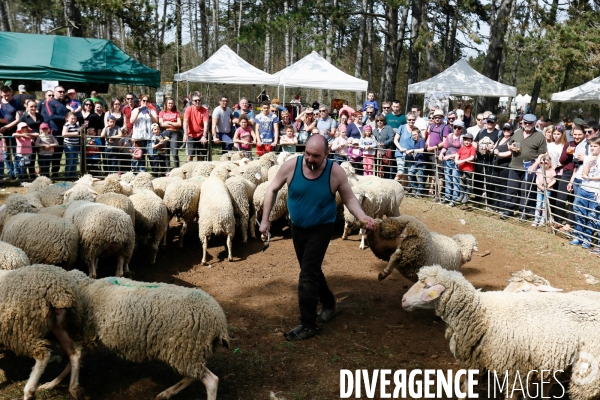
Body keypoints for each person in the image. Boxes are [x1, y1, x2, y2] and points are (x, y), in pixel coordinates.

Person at [258, 134, 375, 341]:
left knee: (307, 274)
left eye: (316, 156)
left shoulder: (335, 172)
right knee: (309, 268)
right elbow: (272, 189)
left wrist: (362, 216)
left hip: (322, 227)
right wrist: (265, 220)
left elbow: (349, 198)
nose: (310, 159)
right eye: (308, 154)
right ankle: (329, 303)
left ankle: (308, 323)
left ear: (326, 155)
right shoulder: (291, 166)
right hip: (297, 227)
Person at [501, 114, 547, 220]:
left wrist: (534, 166)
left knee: (525, 191)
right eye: (525, 122)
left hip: (529, 169)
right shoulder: (517, 133)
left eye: (529, 123)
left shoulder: (540, 136)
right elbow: (510, 144)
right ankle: (508, 210)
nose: (527, 125)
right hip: (514, 166)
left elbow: (542, 154)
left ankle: (523, 212)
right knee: (511, 190)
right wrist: (511, 147)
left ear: (534, 123)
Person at [570, 136, 600, 249]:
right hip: (584, 188)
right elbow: (583, 173)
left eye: (595, 146)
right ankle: (579, 236)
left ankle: (587, 239)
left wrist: (591, 178)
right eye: (591, 146)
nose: (592, 148)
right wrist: (588, 163)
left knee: (591, 216)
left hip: (595, 191)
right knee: (580, 213)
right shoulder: (589, 158)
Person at [473, 113, 500, 206]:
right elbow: (475, 142)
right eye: (488, 121)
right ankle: (477, 198)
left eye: (492, 122)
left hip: (490, 160)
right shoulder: (482, 131)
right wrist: (477, 147)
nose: (490, 123)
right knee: (478, 179)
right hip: (480, 159)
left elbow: (498, 146)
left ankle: (488, 199)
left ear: (495, 123)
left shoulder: (498, 133)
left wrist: (491, 148)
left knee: (489, 180)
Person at [41, 86, 68, 176]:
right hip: (54, 130)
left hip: (65, 130)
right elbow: (51, 116)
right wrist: (65, 118)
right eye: (60, 91)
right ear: (54, 92)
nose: (62, 93)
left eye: (63, 92)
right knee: (52, 152)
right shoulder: (50, 102)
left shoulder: (66, 102)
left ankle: (55, 172)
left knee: (59, 153)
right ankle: (45, 173)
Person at [426, 109, 451, 201]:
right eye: (435, 117)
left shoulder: (445, 127)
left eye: (439, 117)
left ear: (442, 118)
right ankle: (431, 190)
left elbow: (445, 142)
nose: (437, 119)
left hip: (439, 153)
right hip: (431, 153)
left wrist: (433, 148)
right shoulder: (432, 126)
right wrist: (428, 145)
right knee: (433, 172)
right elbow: (429, 136)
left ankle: (439, 193)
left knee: (440, 173)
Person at [438, 120, 465, 206]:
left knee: (455, 180)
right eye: (455, 127)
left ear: (462, 129)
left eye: (459, 128)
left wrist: (450, 156)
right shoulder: (449, 136)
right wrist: (441, 153)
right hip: (447, 161)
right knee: (448, 179)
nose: (457, 129)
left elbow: (461, 152)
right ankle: (447, 197)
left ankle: (454, 199)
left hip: (456, 162)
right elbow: (445, 147)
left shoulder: (462, 139)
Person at [1, 85, 24, 179]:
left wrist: (6, 127)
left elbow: (18, 119)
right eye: (4, 95)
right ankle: (10, 173)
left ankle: (16, 173)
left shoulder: (16, 103)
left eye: (8, 95)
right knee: (5, 154)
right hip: (2, 133)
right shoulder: (0, 103)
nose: (6, 97)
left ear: (11, 93)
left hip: (14, 131)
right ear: (1, 94)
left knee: (16, 153)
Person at [130, 95, 158, 172]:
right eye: (143, 101)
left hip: (149, 137)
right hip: (138, 137)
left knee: (152, 155)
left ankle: (155, 172)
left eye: (147, 101)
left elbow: (156, 121)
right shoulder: (135, 110)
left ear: (149, 102)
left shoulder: (152, 111)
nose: (145, 102)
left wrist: (150, 114)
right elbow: (132, 121)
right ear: (140, 101)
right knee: (139, 155)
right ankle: (140, 172)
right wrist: (138, 112)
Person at [492, 123, 515, 213]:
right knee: (497, 186)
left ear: (512, 130)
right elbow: (494, 149)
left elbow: (511, 153)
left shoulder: (512, 140)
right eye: (504, 129)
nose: (506, 131)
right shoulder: (500, 139)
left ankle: (502, 206)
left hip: (505, 166)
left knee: (504, 187)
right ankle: (496, 205)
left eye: (508, 129)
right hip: (497, 165)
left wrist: (499, 154)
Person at [183, 93, 209, 162]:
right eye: (195, 100)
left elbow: (206, 123)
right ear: (192, 102)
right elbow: (185, 121)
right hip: (191, 135)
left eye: (199, 100)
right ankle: (188, 170)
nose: (197, 102)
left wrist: (204, 136)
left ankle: (199, 171)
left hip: (201, 135)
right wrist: (185, 134)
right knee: (190, 156)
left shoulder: (205, 110)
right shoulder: (188, 109)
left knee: (201, 157)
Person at [532, 155, 556, 227]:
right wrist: (539, 186)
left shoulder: (552, 171)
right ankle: (536, 219)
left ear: (549, 163)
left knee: (544, 205)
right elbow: (537, 179)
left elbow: (554, 180)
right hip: (539, 190)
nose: (543, 164)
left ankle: (543, 219)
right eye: (541, 163)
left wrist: (548, 186)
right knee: (538, 204)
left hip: (547, 190)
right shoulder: (539, 170)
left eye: (545, 163)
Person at [393, 113, 418, 182]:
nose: (411, 121)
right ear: (407, 120)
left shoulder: (416, 129)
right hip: (400, 154)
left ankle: (402, 190)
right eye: (409, 119)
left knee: (406, 173)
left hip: (410, 155)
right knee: (400, 171)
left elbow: (418, 141)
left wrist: (413, 151)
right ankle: (392, 186)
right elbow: (395, 140)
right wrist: (401, 148)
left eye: (413, 120)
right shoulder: (402, 127)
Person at [158, 98, 181, 169]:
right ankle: (167, 170)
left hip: (174, 133)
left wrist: (169, 122)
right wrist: (174, 123)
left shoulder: (176, 113)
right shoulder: (162, 112)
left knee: (175, 153)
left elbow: (179, 124)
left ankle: (177, 169)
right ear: (166, 104)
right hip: (165, 133)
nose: (170, 105)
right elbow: (162, 124)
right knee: (166, 153)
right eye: (169, 103)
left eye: (172, 103)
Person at [454, 132, 477, 204]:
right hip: (461, 168)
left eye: (468, 140)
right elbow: (457, 154)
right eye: (465, 140)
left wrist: (461, 161)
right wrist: (456, 160)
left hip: (468, 169)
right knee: (461, 183)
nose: (467, 142)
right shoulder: (462, 147)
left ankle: (466, 196)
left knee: (468, 183)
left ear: (471, 141)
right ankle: (461, 195)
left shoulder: (472, 149)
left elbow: (471, 158)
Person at [405, 127, 427, 197]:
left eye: (415, 134)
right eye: (412, 135)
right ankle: (415, 188)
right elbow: (417, 152)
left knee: (420, 177)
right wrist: (411, 154)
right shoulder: (415, 142)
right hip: (416, 162)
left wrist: (412, 151)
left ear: (419, 134)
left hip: (421, 162)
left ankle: (419, 192)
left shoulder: (421, 140)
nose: (414, 136)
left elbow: (422, 150)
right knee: (410, 174)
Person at [62, 112, 81, 179]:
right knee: (70, 161)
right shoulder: (66, 125)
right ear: (67, 118)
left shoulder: (76, 125)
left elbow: (79, 130)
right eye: (72, 118)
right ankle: (67, 176)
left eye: (75, 119)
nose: (73, 120)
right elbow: (64, 134)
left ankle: (73, 176)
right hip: (69, 146)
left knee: (75, 161)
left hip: (76, 145)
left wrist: (81, 128)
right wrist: (75, 133)